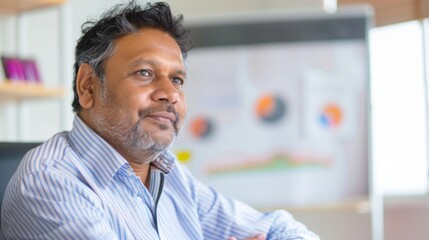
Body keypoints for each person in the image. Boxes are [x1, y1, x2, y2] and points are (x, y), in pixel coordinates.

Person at [0, 1, 319, 239]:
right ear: (88, 86)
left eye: (178, 79)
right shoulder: (49, 182)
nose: (170, 94)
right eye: (144, 73)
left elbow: (279, 228)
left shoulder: (169, 174)